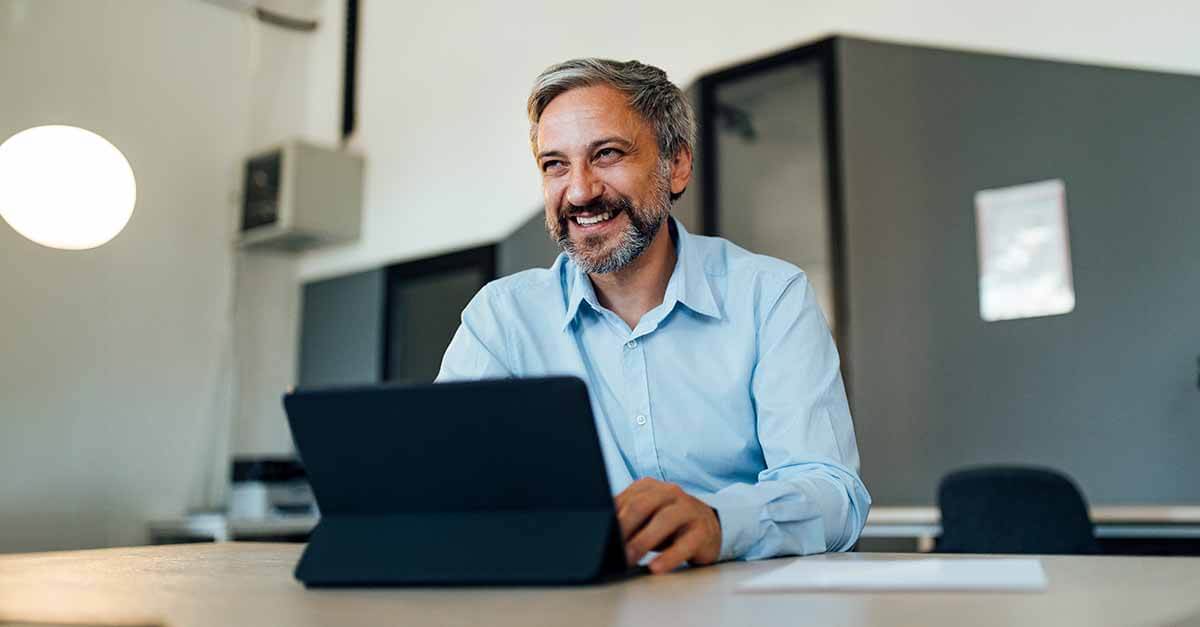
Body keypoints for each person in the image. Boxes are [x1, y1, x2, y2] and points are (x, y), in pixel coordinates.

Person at [437, 58, 870, 575]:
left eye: (608, 154)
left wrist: (718, 521)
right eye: (555, 164)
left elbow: (833, 493)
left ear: (677, 165)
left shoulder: (770, 296)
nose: (579, 191)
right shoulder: (502, 319)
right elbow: (443, 484)